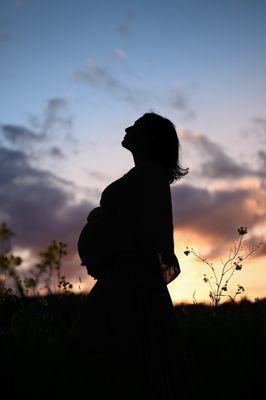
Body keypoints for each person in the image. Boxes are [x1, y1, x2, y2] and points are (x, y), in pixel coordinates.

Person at [61, 112, 193, 399]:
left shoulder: (151, 174)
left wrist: (109, 244)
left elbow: (148, 234)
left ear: (149, 138)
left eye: (136, 125)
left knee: (107, 357)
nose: (126, 127)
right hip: (120, 279)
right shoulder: (144, 175)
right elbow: (132, 222)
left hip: (127, 285)